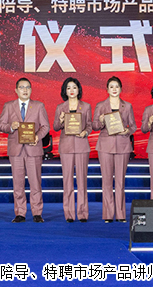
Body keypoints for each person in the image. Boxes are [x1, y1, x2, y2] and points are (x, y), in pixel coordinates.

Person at [0, 78, 50, 223]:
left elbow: (45, 126)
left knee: (35, 182)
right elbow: (0, 125)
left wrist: (37, 137)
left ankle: (37, 212)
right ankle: (20, 213)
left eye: (27, 87)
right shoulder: (9, 106)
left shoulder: (39, 106)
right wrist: (11, 127)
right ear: (16, 90)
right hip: (16, 150)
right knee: (18, 183)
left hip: (33, 149)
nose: (25, 90)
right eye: (21, 87)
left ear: (31, 90)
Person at [92, 76, 136, 223]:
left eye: (117, 86)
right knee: (106, 181)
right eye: (111, 87)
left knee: (120, 181)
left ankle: (121, 214)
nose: (114, 89)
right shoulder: (101, 106)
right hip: (105, 145)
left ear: (121, 89)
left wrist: (127, 131)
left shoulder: (127, 106)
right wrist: (101, 121)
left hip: (122, 145)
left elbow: (133, 126)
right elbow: (94, 126)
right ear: (107, 89)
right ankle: (108, 214)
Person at [52, 77, 92, 222]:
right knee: (67, 181)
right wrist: (61, 120)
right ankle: (69, 214)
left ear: (78, 90)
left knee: (82, 181)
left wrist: (85, 132)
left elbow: (89, 125)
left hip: (82, 146)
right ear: (65, 91)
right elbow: (56, 127)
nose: (72, 90)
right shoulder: (60, 107)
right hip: (66, 147)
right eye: (68, 88)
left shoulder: (86, 106)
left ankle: (82, 213)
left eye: (74, 87)